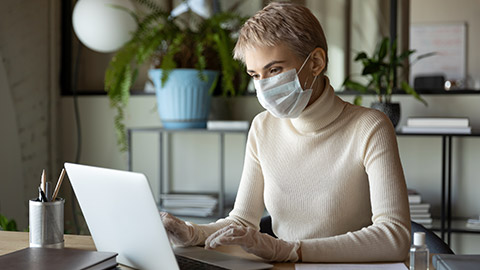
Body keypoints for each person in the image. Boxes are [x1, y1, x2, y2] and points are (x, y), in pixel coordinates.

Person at [161, 1, 410, 263]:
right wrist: (192, 233)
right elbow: (242, 221)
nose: (264, 86)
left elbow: (394, 237)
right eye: (255, 75)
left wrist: (292, 250)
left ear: (315, 62)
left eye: (275, 70)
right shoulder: (262, 127)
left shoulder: (371, 127)